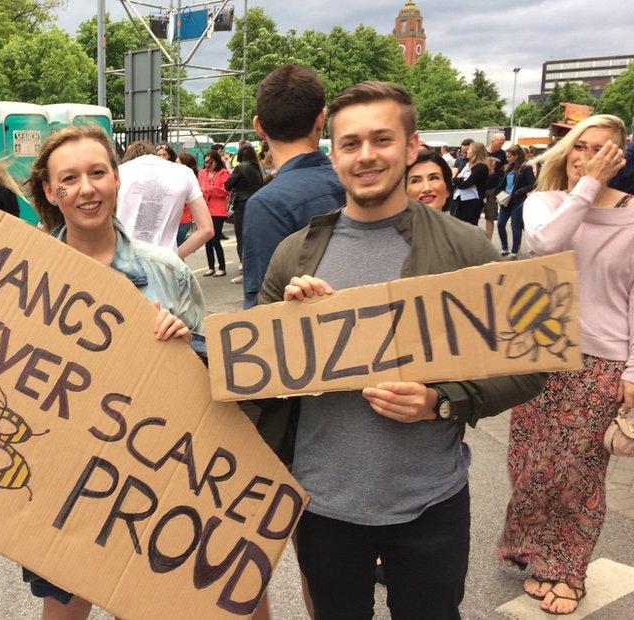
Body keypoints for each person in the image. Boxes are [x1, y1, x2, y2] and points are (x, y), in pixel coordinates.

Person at [256, 81, 545, 619]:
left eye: (382, 139)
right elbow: (251, 376)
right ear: (333, 153)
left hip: (429, 502)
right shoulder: (293, 256)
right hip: (324, 503)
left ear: (411, 147)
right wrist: (285, 324)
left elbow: (531, 367)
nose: (366, 156)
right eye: (350, 143)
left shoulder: (466, 250)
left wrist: (442, 401)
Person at [0, 123, 207, 620]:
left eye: (97, 173)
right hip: (57, 481)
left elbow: (208, 387)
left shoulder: (168, 273)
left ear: (116, 180)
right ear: (50, 190)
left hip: (145, 481)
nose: (86, 189)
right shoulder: (20, 274)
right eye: (69, 178)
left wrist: (184, 350)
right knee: (64, 610)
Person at [499, 114, 631, 615]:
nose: (587, 158)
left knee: (578, 470)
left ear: (618, 159)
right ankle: (527, 543)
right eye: (580, 148)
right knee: (529, 463)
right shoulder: (545, 202)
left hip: (603, 358)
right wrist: (587, 186)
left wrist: (633, 373)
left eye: (601, 151)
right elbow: (548, 243)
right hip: (540, 350)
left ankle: (566, 569)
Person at [241, 63, 345, 309]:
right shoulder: (352, 184)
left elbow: (262, 309)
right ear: (321, 119)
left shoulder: (267, 204)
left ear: (259, 127)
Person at [116, 140, 214, 258]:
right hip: (164, 265)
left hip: (123, 261)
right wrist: (174, 258)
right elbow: (207, 230)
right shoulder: (184, 173)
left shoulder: (117, 172)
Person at [225, 144, 264, 283]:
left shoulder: (241, 167)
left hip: (242, 203)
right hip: (256, 203)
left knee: (240, 236)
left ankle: (244, 268)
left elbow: (227, 185)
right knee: (252, 235)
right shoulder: (257, 168)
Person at [496, 144, 535, 258]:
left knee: (515, 225)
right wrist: (499, 193)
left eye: (509, 156)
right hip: (505, 199)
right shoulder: (509, 167)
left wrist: (519, 192)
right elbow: (504, 183)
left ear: (517, 156)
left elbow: (532, 184)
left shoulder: (526, 167)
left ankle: (514, 250)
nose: (507, 159)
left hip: (518, 200)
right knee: (500, 224)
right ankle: (504, 247)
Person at [199, 150, 231, 277]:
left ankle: (222, 267)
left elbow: (225, 191)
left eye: (210, 162)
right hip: (205, 209)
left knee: (215, 238)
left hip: (218, 211)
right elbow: (199, 188)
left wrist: (209, 189)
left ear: (216, 161)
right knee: (207, 239)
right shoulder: (202, 173)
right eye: (205, 162)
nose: (207, 165)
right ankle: (211, 266)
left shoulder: (223, 174)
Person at [451, 141, 489, 226]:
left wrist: (459, 180)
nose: (467, 151)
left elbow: (466, 184)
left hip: (473, 201)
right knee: (457, 225)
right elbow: (456, 179)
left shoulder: (482, 167)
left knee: (469, 227)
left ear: (476, 152)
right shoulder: (467, 165)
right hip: (460, 198)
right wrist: (459, 180)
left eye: (470, 149)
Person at [482, 133, 508, 240]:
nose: (502, 144)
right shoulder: (482, 152)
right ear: (493, 140)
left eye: (503, 142)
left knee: (490, 217)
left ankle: (488, 241)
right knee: (473, 214)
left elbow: (506, 168)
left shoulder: (503, 154)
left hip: (493, 188)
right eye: (500, 141)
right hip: (479, 186)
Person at [175, 151, 200, 247]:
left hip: (183, 220)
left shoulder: (187, 181)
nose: (174, 165)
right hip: (178, 220)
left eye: (177, 163)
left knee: (175, 252)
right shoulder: (178, 178)